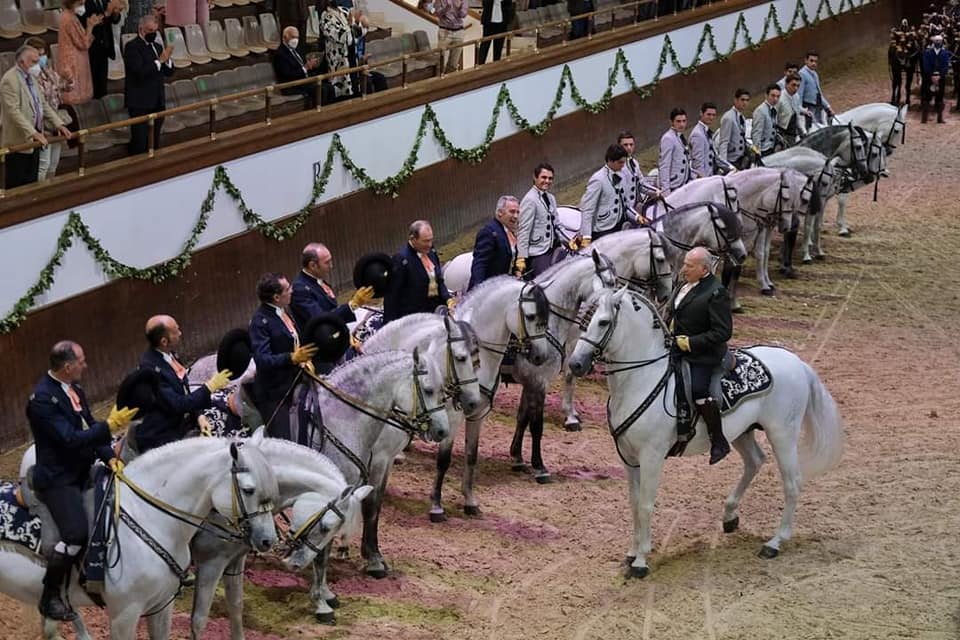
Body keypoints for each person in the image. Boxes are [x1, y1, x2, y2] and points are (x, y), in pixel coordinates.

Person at [27, 341, 136, 621]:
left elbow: (88, 426)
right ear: (67, 367)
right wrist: (109, 427)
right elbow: (70, 439)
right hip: (57, 478)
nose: (85, 366)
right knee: (75, 534)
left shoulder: (75, 390)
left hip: (80, 468)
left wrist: (109, 456)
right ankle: (50, 595)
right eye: (82, 361)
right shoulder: (42, 400)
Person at [667, 247, 732, 465]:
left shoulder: (716, 292)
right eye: (684, 263)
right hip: (676, 347)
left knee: (698, 390)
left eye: (689, 266)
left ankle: (718, 440)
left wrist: (690, 343)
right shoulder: (683, 286)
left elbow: (722, 332)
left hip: (704, 355)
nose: (684, 269)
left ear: (704, 269)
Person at [133, 315, 231, 452]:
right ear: (164, 341)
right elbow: (178, 404)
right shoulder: (150, 370)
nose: (180, 333)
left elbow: (185, 389)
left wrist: (200, 416)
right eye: (175, 331)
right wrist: (209, 387)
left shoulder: (169, 354)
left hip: (182, 426)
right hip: (162, 438)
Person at [249, 272, 318, 439]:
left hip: (297, 378)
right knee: (284, 438)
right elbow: (262, 359)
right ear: (276, 297)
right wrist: (291, 358)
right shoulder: (260, 322)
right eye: (288, 289)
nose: (292, 290)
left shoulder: (283, 311)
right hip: (275, 390)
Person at [0, 45, 72, 189]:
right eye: (33, 62)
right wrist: (33, 133)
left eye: (38, 61)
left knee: (32, 182)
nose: (37, 66)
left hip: (35, 140)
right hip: (19, 141)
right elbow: (13, 112)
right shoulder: (10, 80)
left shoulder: (32, 77)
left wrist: (59, 124)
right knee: (17, 184)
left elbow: (43, 104)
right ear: (21, 63)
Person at [290, 241, 374, 334]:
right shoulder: (299, 289)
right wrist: (352, 305)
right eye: (327, 262)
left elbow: (333, 308)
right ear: (313, 265)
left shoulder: (317, 279)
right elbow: (321, 319)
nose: (331, 266)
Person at [383, 220, 453, 323]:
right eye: (425, 241)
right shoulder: (401, 260)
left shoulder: (431, 252)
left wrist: (448, 299)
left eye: (431, 240)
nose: (429, 244)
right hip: (415, 318)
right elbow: (392, 296)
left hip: (436, 310)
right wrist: (389, 325)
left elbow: (439, 280)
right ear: (412, 239)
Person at [124, 14, 174, 155]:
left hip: (157, 100)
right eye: (150, 30)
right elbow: (140, 72)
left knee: (155, 140)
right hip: (140, 102)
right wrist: (160, 61)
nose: (153, 34)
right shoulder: (132, 47)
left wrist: (168, 60)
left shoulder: (157, 46)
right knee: (139, 141)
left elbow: (168, 72)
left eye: (155, 31)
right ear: (141, 30)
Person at [24, 37, 72, 181]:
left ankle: (51, 189)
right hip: (41, 125)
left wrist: (68, 80)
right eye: (38, 54)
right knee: (43, 164)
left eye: (43, 54)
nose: (42, 58)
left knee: (54, 162)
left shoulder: (48, 71)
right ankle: (39, 193)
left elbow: (63, 88)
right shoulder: (27, 76)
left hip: (55, 122)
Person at [578, 144, 628, 245]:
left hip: (619, 223)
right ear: (610, 160)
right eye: (620, 162)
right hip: (603, 228)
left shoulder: (621, 174)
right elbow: (587, 209)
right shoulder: (598, 179)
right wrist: (586, 236)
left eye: (624, 162)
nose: (623, 165)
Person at [516, 162, 559, 279]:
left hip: (553, 247)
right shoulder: (530, 200)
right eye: (543, 177)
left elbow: (557, 224)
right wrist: (521, 257)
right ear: (535, 178)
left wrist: (570, 241)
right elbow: (524, 231)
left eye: (550, 178)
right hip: (538, 252)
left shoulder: (551, 198)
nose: (547, 181)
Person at [468, 195, 519, 290]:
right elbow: (480, 263)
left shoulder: (511, 231)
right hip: (489, 290)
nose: (516, 216)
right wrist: (479, 288)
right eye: (512, 212)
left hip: (507, 286)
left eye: (517, 212)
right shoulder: (489, 232)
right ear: (500, 212)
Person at [57, 0, 101, 107]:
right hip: (73, 61)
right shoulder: (68, 19)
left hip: (73, 58)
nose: (83, 6)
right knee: (75, 99)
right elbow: (83, 43)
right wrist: (90, 26)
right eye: (80, 4)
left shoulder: (70, 16)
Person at [318, 0, 365, 99]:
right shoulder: (325, 16)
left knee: (355, 83)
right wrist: (349, 26)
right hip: (338, 58)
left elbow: (358, 32)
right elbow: (338, 36)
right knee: (342, 89)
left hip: (351, 53)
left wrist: (356, 22)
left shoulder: (344, 11)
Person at [273, 26, 330, 108]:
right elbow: (288, 74)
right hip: (292, 85)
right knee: (321, 89)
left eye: (297, 37)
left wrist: (312, 65)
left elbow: (304, 66)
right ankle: (318, 113)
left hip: (304, 81)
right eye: (293, 37)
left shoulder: (297, 50)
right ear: (285, 37)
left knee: (329, 87)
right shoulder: (280, 54)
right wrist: (305, 68)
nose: (295, 40)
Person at [81, 0, 123, 99]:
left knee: (102, 82)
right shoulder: (84, 3)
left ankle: (103, 103)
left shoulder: (104, 1)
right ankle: (94, 107)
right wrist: (107, 13)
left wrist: (115, 12)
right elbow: (87, 22)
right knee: (93, 82)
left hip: (105, 47)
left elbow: (114, 20)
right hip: (92, 48)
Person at [616, 131, 659, 212]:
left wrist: (656, 192)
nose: (629, 148)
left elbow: (642, 184)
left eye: (631, 145)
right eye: (625, 145)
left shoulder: (634, 163)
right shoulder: (616, 167)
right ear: (618, 146)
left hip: (636, 204)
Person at [657, 108, 691, 196]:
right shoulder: (668, 138)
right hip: (674, 185)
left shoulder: (680, 136)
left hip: (684, 183)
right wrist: (666, 190)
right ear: (671, 122)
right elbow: (664, 165)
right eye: (678, 121)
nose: (682, 124)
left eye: (684, 121)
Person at [921, 34, 952, 122]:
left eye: (939, 41)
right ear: (933, 42)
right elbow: (926, 65)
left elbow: (945, 66)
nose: (938, 43)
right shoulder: (927, 52)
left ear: (942, 42)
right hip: (929, 78)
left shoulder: (945, 53)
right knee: (927, 96)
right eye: (936, 41)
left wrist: (940, 76)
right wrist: (931, 75)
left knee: (940, 97)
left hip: (940, 78)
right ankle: (924, 118)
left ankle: (940, 118)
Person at [798, 51, 833, 129]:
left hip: (818, 105)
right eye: (811, 60)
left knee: (820, 126)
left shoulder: (815, 74)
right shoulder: (802, 74)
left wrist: (827, 106)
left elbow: (819, 92)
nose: (814, 63)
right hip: (808, 106)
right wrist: (800, 109)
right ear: (806, 60)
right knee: (811, 128)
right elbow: (799, 93)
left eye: (815, 61)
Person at [717, 88, 750, 170]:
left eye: (747, 100)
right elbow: (724, 142)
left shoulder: (741, 116)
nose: (745, 103)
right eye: (742, 100)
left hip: (740, 157)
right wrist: (725, 165)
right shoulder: (728, 118)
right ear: (735, 100)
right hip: (732, 160)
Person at [435, 0, 468, 74]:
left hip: (459, 32)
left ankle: (450, 82)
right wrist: (446, 8)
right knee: (441, 60)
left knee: (454, 63)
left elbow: (463, 15)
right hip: (445, 31)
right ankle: (439, 82)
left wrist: (459, 8)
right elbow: (437, 13)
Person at [690, 102, 720, 179]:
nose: (711, 117)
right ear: (701, 113)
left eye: (713, 115)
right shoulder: (697, 134)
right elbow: (698, 163)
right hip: (704, 178)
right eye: (708, 114)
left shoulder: (705, 130)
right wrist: (704, 181)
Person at [776, 72, 806, 146]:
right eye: (793, 85)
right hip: (781, 135)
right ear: (786, 84)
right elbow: (774, 119)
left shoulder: (796, 97)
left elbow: (797, 116)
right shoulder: (779, 98)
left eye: (798, 86)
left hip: (792, 134)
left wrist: (803, 132)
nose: (796, 88)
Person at [751, 84, 781, 156]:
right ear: (766, 95)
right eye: (773, 96)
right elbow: (756, 134)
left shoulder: (774, 109)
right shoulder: (760, 111)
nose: (775, 99)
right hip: (763, 150)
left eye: (778, 96)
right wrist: (757, 152)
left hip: (772, 148)